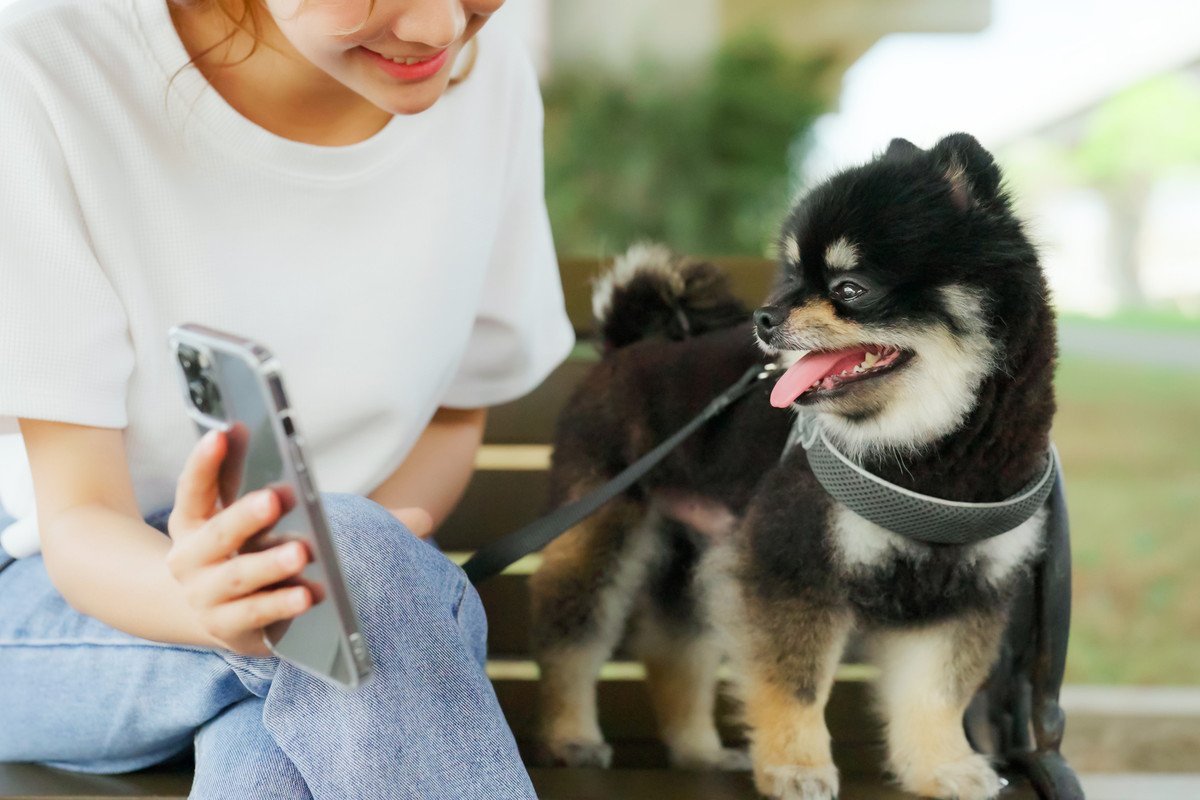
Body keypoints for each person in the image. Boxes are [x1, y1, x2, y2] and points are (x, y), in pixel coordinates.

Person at [0, 0, 575, 797]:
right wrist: (222, 597)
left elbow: (453, 413)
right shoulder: (48, 66)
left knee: (298, 711)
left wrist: (351, 565)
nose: (439, 28)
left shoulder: (491, 79)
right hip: (56, 597)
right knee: (353, 587)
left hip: (338, 598)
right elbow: (77, 518)